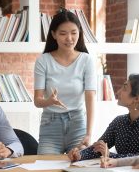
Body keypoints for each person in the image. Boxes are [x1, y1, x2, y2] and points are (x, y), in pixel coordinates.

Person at [34, 9, 97, 154]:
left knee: (79, 168)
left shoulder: (86, 60)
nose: (69, 38)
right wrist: (49, 101)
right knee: (45, 169)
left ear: (79, 33)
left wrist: (88, 133)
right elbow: (37, 101)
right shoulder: (43, 61)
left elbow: (90, 97)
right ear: (54, 34)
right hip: (50, 124)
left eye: (74, 33)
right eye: (63, 33)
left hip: (77, 124)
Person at [68, 74, 139, 161]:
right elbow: (98, 148)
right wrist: (79, 154)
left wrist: (110, 155)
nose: (118, 92)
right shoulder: (119, 121)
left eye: (124, 88)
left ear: (136, 99)